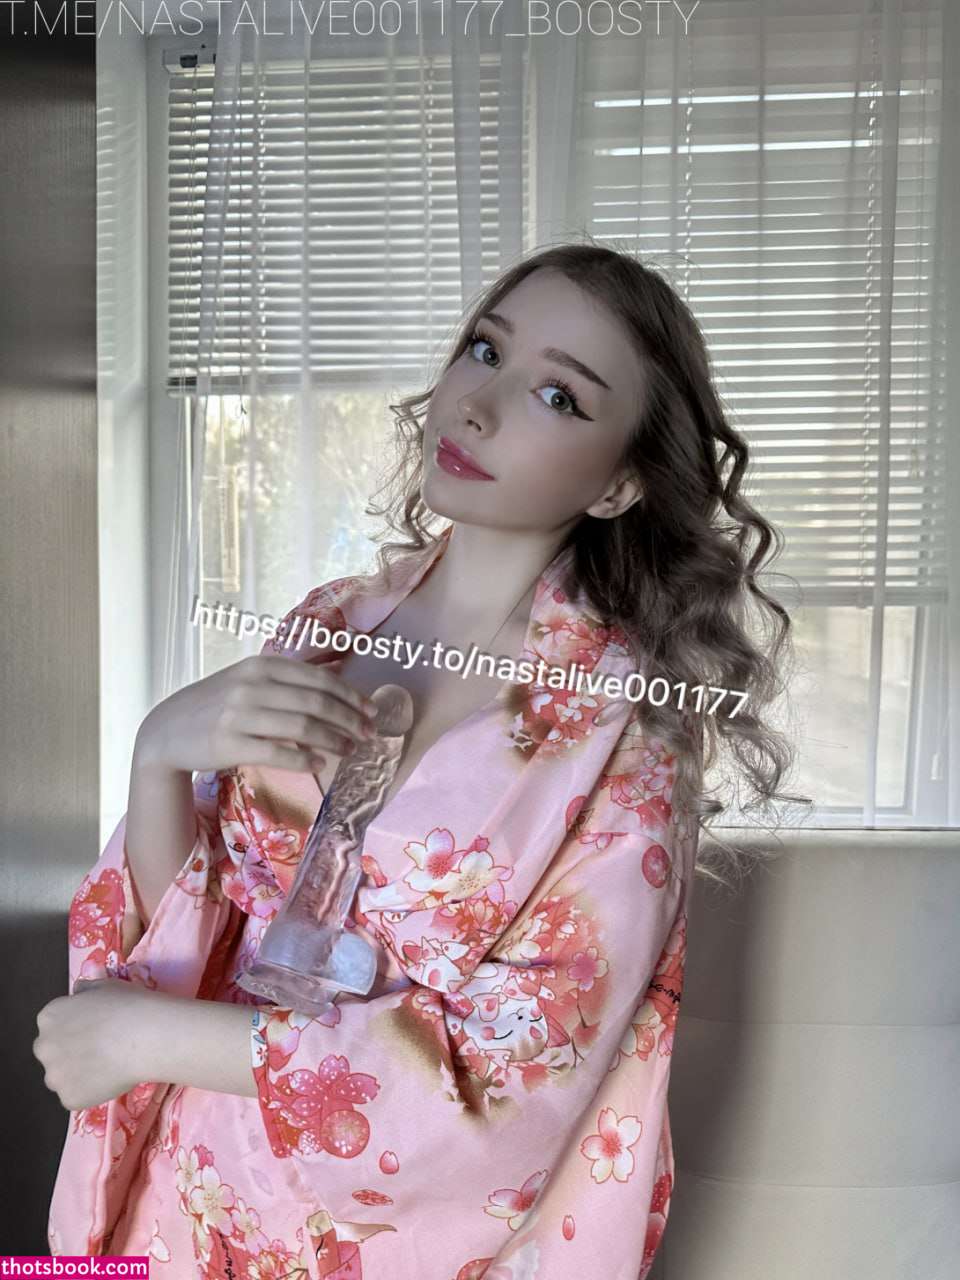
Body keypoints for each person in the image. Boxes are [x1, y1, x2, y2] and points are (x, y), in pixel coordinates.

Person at [37, 240, 806, 1278]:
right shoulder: (329, 625)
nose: (478, 406)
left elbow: (511, 1084)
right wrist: (157, 755)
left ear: (622, 483)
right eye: (485, 349)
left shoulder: (628, 741)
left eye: (558, 396)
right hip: (184, 1203)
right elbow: (199, 918)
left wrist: (152, 1041)